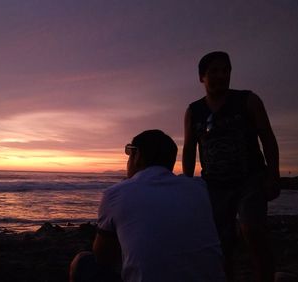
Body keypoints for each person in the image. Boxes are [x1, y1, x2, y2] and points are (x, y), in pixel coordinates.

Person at [70, 130, 225, 282]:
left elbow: (103, 256)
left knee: (82, 262)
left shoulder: (116, 194)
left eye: (129, 154)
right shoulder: (199, 189)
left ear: (137, 156)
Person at [182, 51, 280, 282]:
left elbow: (267, 138)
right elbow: (189, 149)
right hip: (214, 185)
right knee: (220, 241)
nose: (221, 76)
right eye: (214, 71)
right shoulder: (194, 111)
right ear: (201, 77)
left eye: (225, 70)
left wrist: (273, 175)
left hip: (250, 179)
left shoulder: (248, 100)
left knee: (253, 230)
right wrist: (188, 183)